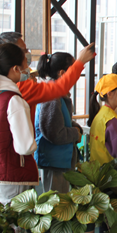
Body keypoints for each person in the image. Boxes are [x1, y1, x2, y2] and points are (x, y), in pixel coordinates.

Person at [0, 43, 38, 205]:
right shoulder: (14, 100)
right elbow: (25, 147)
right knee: (13, 219)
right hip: (10, 174)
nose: (28, 70)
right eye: (25, 66)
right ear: (15, 69)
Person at [0, 32, 96, 122]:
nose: (27, 54)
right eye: (24, 51)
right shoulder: (21, 87)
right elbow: (59, 88)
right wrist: (80, 62)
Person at [34, 52, 83, 194]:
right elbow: (54, 132)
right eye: (74, 70)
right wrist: (76, 133)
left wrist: (74, 127)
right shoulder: (52, 95)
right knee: (55, 202)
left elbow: (59, 120)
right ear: (62, 73)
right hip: (54, 160)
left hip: (59, 159)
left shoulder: (55, 92)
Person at [88, 73, 117, 165]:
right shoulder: (112, 121)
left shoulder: (101, 115)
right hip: (111, 172)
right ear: (110, 94)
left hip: (99, 171)